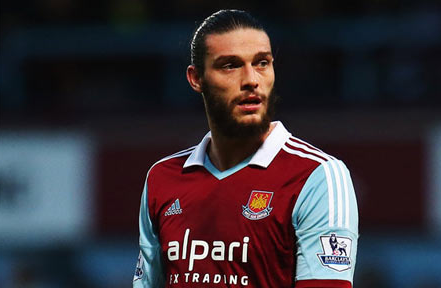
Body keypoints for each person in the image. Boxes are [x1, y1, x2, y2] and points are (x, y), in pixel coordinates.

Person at [132, 9, 359, 288]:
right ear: (196, 79)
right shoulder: (162, 178)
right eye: (230, 65)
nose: (251, 79)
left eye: (262, 63)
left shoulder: (318, 176)